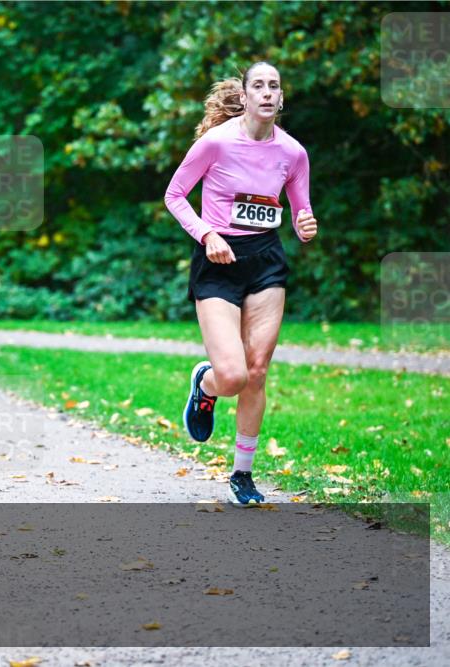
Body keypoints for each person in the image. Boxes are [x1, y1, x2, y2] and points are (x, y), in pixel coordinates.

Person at [164, 62, 318, 506]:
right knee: (232, 375)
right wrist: (207, 235)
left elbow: (300, 211)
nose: (267, 93)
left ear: (281, 98)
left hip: (266, 259)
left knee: (257, 372)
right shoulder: (215, 143)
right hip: (218, 260)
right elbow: (175, 196)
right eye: (259, 86)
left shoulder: (293, 153)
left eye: (275, 86)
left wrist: (305, 225)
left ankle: (243, 475)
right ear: (245, 96)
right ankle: (205, 385)